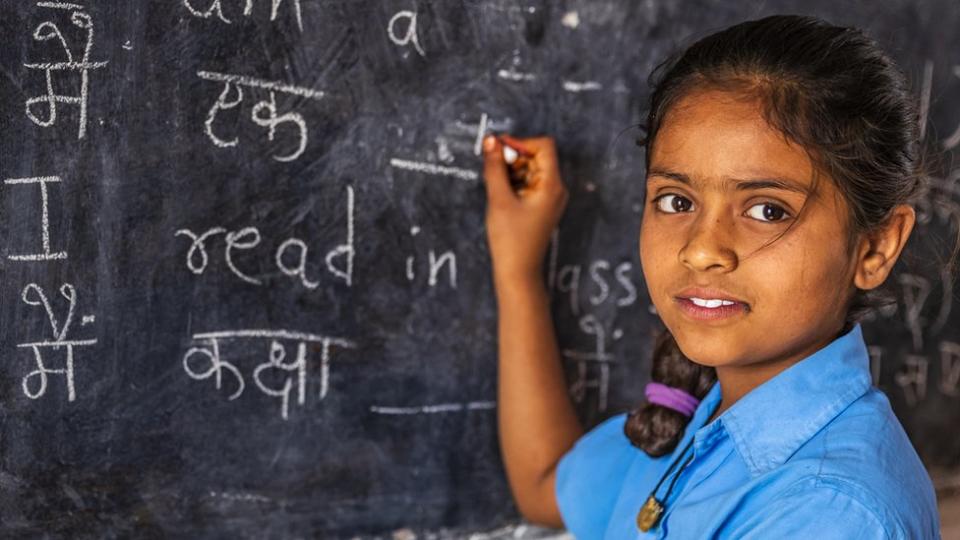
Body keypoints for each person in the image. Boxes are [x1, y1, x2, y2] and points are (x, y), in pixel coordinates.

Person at [481, 13, 957, 539]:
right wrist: (518, 267)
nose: (702, 250)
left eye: (768, 211)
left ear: (875, 247)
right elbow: (546, 484)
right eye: (676, 200)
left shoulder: (829, 512)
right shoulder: (699, 421)